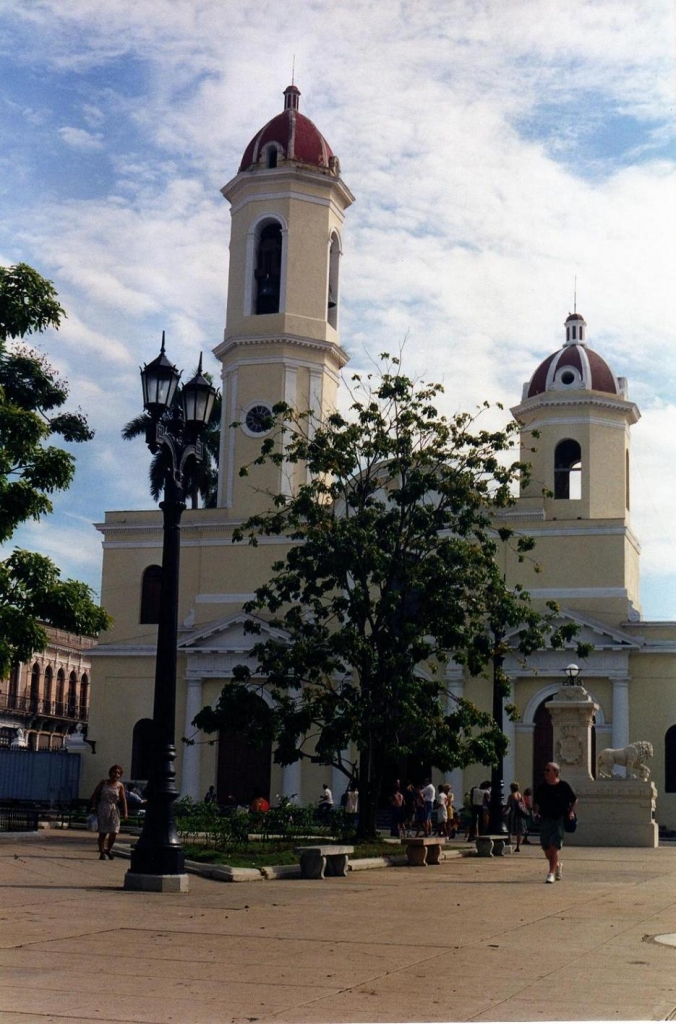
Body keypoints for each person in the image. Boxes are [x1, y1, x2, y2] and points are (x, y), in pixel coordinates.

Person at [533, 761, 577, 883]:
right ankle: (557, 865)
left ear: (556, 772)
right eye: (545, 770)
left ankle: (551, 873)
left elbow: (574, 799)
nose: (545, 772)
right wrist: (535, 813)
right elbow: (536, 802)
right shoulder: (542, 787)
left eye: (548, 770)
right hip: (545, 820)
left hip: (559, 820)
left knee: (554, 847)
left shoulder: (563, 786)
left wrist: (571, 812)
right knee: (547, 849)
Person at [90, 764, 128, 860]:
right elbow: (95, 795)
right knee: (103, 832)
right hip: (103, 808)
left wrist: (125, 812)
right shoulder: (103, 783)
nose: (116, 775)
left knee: (114, 831)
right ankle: (102, 851)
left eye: (118, 773)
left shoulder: (120, 786)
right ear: (110, 773)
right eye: (114, 772)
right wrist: (93, 807)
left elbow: (123, 800)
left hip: (114, 809)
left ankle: (109, 849)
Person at [505, 781, 528, 852]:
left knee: (509, 830)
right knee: (519, 832)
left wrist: (504, 812)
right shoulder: (520, 795)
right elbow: (523, 805)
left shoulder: (511, 796)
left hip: (513, 814)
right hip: (520, 815)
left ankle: (510, 844)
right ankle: (518, 846)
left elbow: (508, 806)